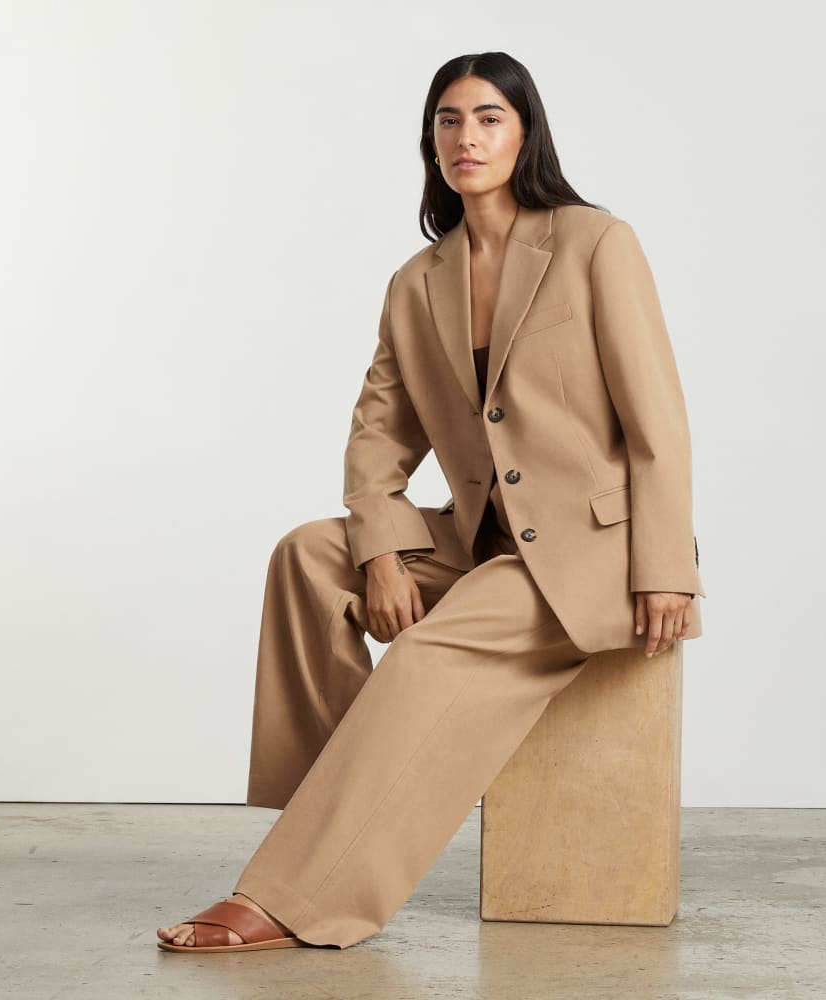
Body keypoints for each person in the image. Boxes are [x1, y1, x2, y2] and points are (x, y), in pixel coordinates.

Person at [157, 49, 705, 954]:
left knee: (421, 658)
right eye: (449, 120)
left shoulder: (594, 242)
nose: (466, 137)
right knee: (307, 556)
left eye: (489, 117)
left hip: (590, 551)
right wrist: (379, 551)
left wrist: (668, 570)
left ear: (526, 133)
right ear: (430, 140)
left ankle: (297, 896)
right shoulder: (417, 281)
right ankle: (336, 810)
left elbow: (659, 421)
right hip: (484, 537)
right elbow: (378, 435)